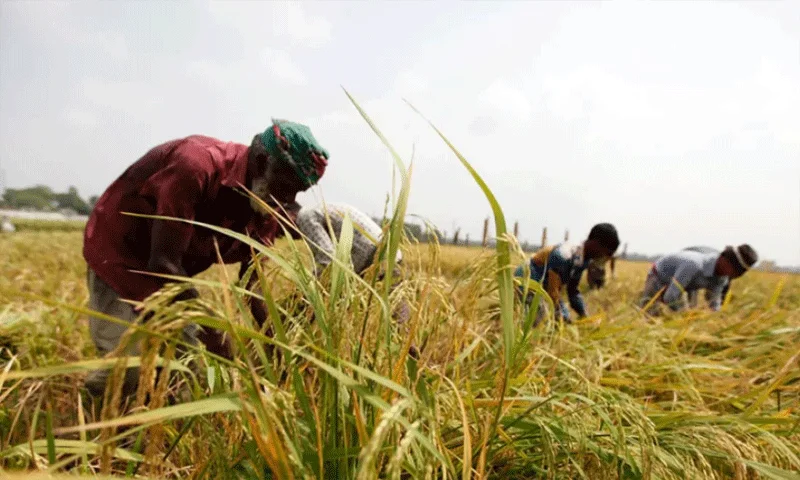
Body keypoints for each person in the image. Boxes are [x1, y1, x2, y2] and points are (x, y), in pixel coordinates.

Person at [82, 119, 329, 398]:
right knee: (128, 370)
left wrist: (278, 342)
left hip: (175, 276)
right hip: (121, 256)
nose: (288, 199)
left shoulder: (268, 203)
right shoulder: (196, 165)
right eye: (286, 186)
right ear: (261, 161)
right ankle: (91, 426)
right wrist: (213, 331)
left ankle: (154, 434)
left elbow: (253, 285)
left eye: (297, 192)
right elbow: (162, 263)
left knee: (186, 374)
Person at [294, 202, 410, 323]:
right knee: (401, 326)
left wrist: (306, 291)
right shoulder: (320, 209)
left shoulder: (305, 217)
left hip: (380, 263)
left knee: (399, 326)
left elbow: (328, 261)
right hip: (391, 258)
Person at [514, 223, 621, 324]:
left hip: (543, 286)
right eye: (606, 252)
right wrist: (563, 317)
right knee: (542, 321)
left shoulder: (583, 260)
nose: (605, 257)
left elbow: (572, 290)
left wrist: (584, 314)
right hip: (527, 279)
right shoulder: (564, 255)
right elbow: (553, 292)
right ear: (596, 244)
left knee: (559, 318)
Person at [638, 244, 757, 315]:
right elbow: (671, 296)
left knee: (690, 311)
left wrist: (715, 319)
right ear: (726, 262)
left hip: (689, 285)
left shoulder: (721, 278)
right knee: (649, 314)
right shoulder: (693, 265)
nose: (732, 276)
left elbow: (714, 303)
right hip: (660, 277)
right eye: (734, 271)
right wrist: (683, 315)